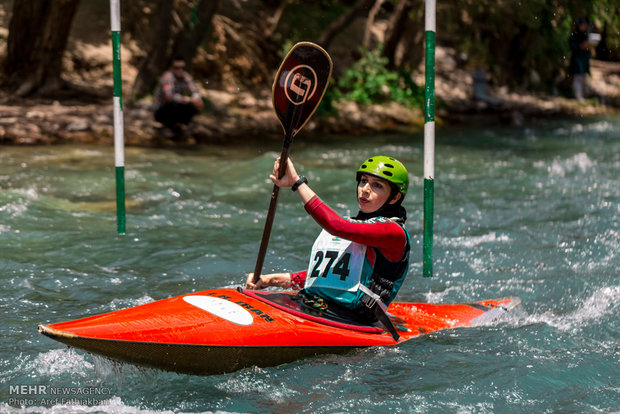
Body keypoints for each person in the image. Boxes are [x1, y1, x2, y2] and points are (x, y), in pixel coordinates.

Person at [245, 155, 411, 336]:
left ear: (394, 197)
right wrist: (271, 280)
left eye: (377, 185)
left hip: (349, 319)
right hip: (314, 305)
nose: (365, 190)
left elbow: (336, 225)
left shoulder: (393, 233)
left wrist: (297, 182)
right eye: (363, 181)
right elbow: (330, 275)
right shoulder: (356, 225)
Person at [153, 57, 204, 138]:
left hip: (176, 105)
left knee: (193, 105)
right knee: (174, 104)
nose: (180, 70)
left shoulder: (185, 76)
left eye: (183, 67)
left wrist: (197, 99)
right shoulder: (168, 76)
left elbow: (195, 91)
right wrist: (190, 99)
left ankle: (181, 125)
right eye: (177, 68)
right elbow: (169, 96)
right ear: (171, 68)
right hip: (161, 109)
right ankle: (167, 126)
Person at [569, 18, 592, 103]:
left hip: (584, 59)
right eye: (582, 25)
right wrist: (580, 46)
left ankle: (581, 96)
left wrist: (588, 47)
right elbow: (572, 46)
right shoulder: (574, 35)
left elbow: (589, 49)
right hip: (577, 59)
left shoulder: (586, 35)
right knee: (577, 77)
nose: (583, 27)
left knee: (583, 77)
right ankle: (577, 96)